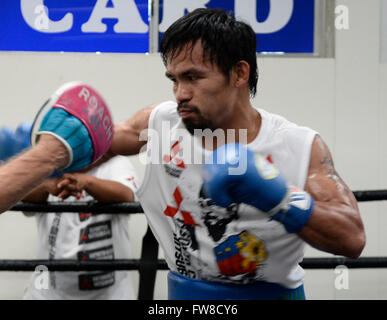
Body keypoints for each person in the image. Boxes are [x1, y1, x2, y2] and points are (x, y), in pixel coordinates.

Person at [0, 8, 365, 300]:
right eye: (174, 80)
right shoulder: (160, 127)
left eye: (193, 77)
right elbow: (86, 151)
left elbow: (351, 238)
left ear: (239, 73)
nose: (180, 93)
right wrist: (47, 150)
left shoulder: (298, 146)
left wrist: (276, 195)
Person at [22, 155, 138, 300]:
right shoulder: (48, 164)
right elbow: (20, 194)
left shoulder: (115, 163)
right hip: (48, 292)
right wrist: (46, 186)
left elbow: (127, 195)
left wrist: (88, 183)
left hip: (111, 293)